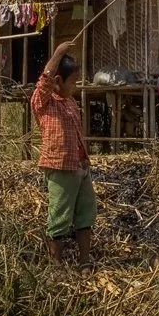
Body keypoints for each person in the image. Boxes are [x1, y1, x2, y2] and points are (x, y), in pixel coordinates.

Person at [30, 41, 96, 275]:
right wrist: (58, 52)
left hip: (79, 166)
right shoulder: (43, 102)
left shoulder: (70, 102)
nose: (76, 86)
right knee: (59, 217)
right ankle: (55, 266)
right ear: (58, 82)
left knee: (85, 214)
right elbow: (44, 81)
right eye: (73, 81)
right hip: (59, 167)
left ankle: (85, 261)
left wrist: (85, 162)